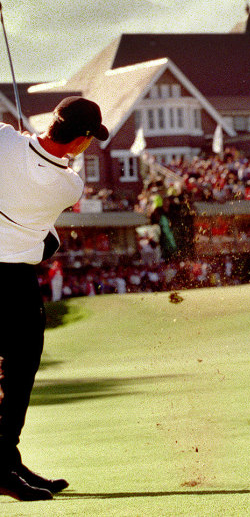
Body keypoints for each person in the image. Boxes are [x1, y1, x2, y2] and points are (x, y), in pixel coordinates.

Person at [0, 96, 108, 501]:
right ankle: (1, 464)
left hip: (10, 274)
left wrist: (17, 138)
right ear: (81, 141)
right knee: (19, 368)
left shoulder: (5, 140)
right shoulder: (69, 184)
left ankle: (6, 458)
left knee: (14, 369)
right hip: (12, 277)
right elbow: (50, 243)